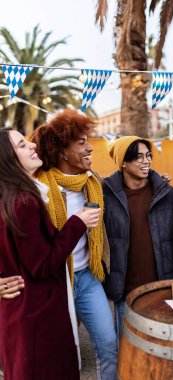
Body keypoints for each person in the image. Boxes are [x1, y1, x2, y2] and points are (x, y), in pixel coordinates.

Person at [0, 127, 101, 380]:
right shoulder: (23, 201)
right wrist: (77, 223)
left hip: (17, 316)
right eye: (22, 145)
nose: (32, 146)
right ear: (7, 158)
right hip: (37, 317)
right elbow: (42, 265)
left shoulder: (9, 197)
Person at [31, 109, 117, 380]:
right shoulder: (38, 190)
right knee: (62, 355)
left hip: (88, 278)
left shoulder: (93, 182)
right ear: (62, 151)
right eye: (81, 142)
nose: (90, 147)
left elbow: (125, 189)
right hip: (56, 282)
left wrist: (155, 180)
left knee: (109, 345)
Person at [102, 136, 173, 339]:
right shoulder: (105, 196)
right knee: (128, 353)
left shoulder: (168, 194)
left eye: (148, 156)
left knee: (163, 351)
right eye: (138, 157)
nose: (146, 161)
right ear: (123, 163)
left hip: (161, 287)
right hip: (125, 291)